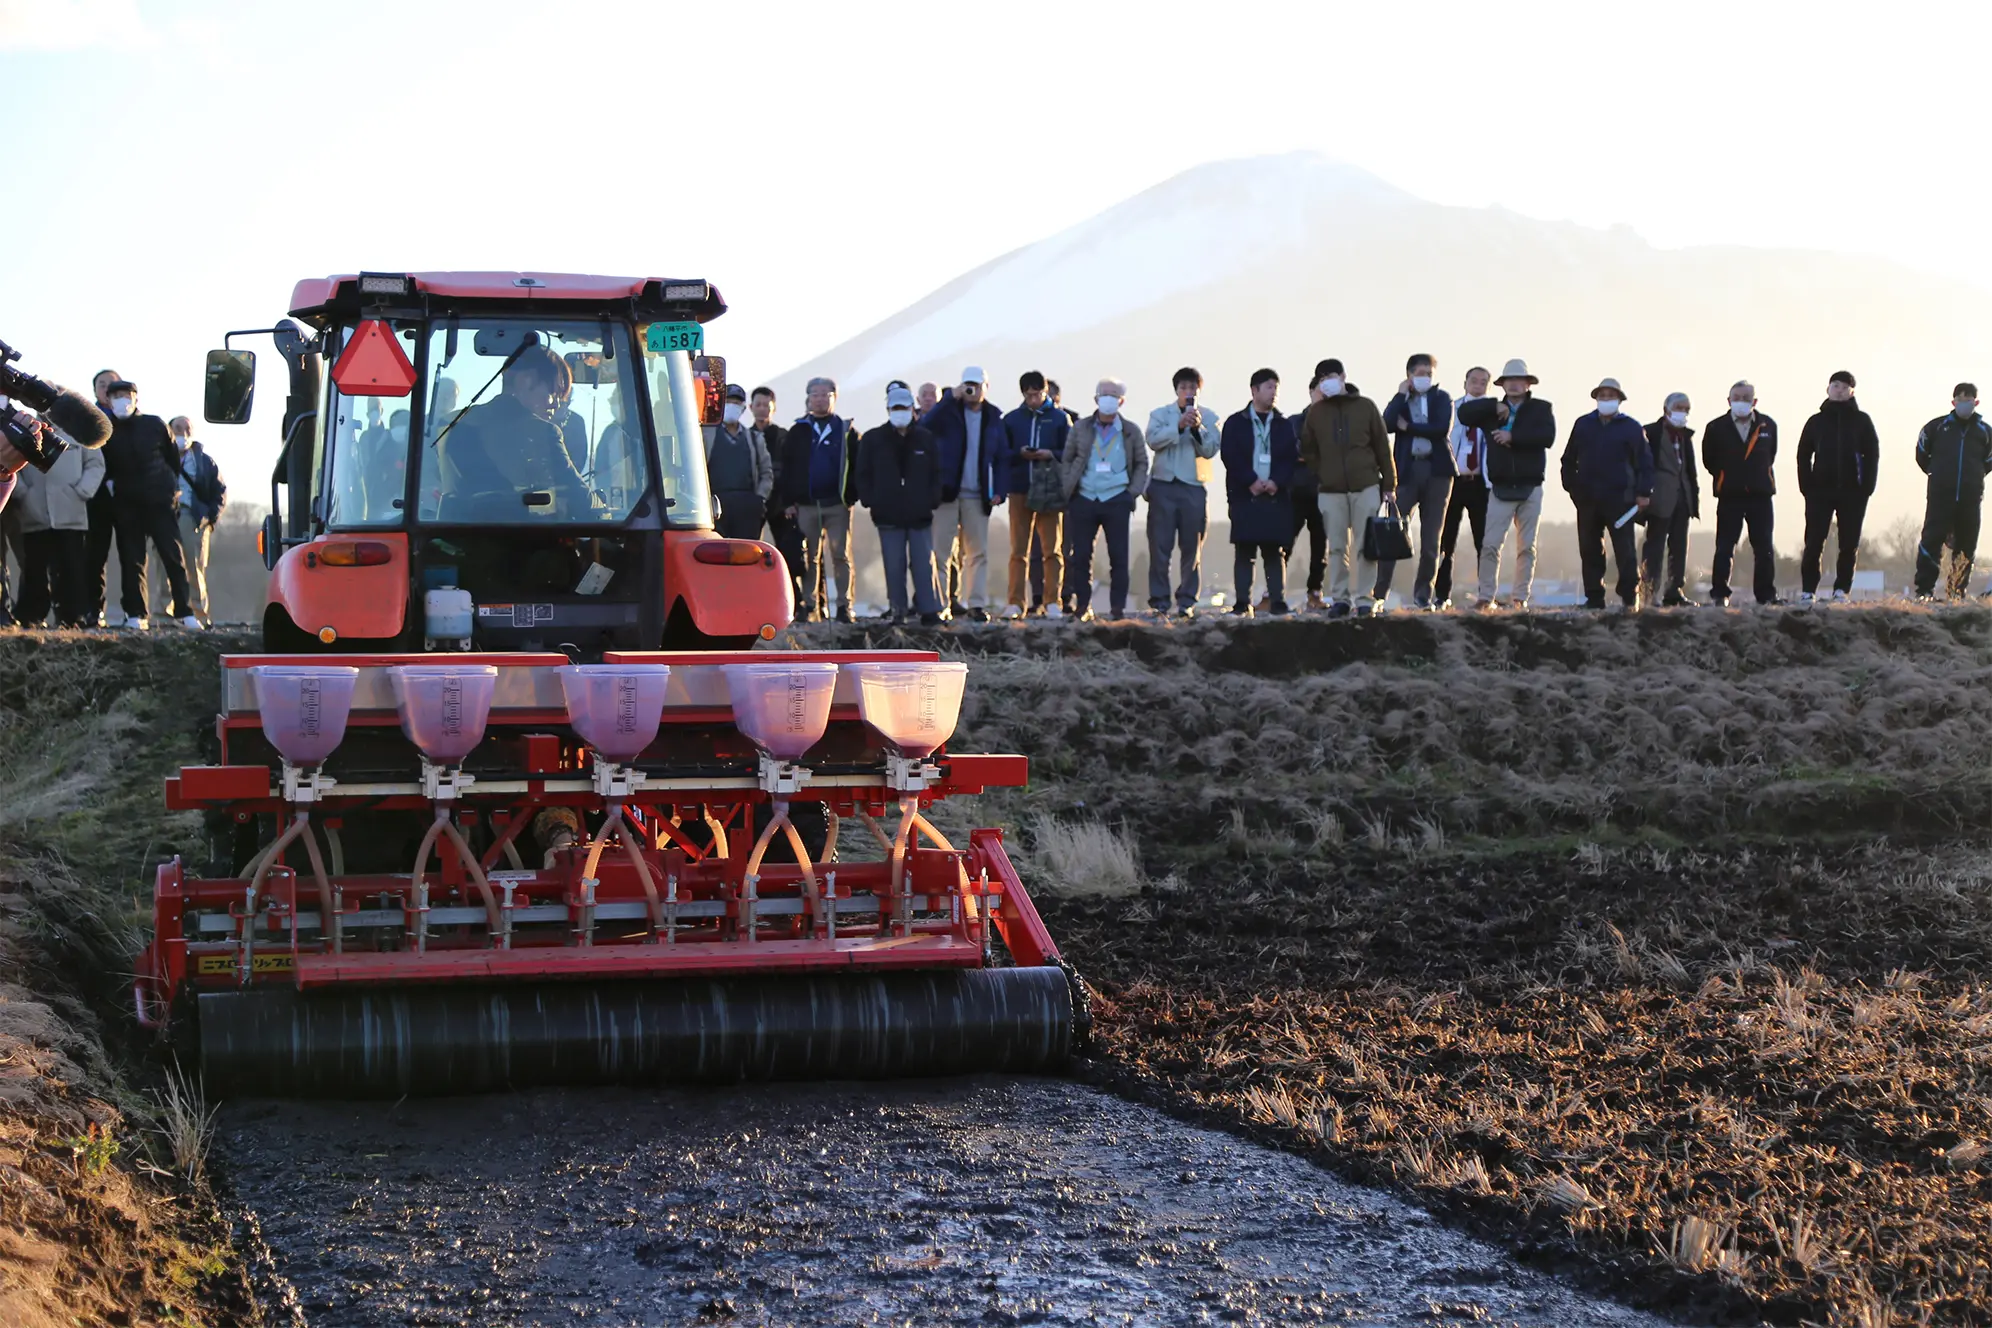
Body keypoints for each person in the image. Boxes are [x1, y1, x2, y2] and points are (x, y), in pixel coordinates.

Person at [439, 345, 592, 519]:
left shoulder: (459, 423)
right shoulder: (542, 431)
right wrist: (604, 509)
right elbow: (580, 497)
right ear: (526, 381)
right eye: (553, 392)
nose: (556, 404)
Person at [1299, 358, 1394, 618]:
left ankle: (1365, 599)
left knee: (1366, 546)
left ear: (1342, 377)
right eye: (1322, 379)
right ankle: (1340, 598)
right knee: (1337, 547)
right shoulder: (1316, 413)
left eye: (1331, 376)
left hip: (1366, 485)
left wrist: (1389, 483)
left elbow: (1382, 446)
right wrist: (1322, 472)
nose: (1327, 382)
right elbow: (1308, 448)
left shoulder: (1365, 406)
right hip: (1331, 490)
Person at [1460, 359, 1556, 611]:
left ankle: (1520, 597)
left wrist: (1514, 437)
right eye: (1509, 380)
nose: (1514, 384)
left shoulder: (1541, 408)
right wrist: (1493, 404)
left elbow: (1547, 437)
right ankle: (1486, 596)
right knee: (1490, 544)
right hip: (1500, 487)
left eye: (1519, 380)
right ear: (1502, 384)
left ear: (1528, 384)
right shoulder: (1491, 411)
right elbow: (1463, 414)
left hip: (1531, 485)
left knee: (1527, 547)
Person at [100, 380, 194, 630]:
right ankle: (135, 613)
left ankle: (185, 611)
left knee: (172, 556)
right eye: (116, 396)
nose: (122, 400)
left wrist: (169, 490)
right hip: (126, 504)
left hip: (159, 501)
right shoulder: (107, 431)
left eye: (126, 395)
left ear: (135, 398)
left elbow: (172, 459)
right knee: (132, 560)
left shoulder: (154, 424)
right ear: (108, 401)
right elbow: (104, 465)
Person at [1559, 378, 1653, 609]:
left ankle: (1630, 598)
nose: (1606, 400)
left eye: (1611, 396)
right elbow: (1568, 460)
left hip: (1621, 500)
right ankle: (1594, 598)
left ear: (1619, 400)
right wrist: (1573, 488)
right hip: (1587, 500)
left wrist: (1643, 492)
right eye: (1602, 396)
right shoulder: (1583, 424)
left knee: (1625, 551)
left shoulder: (1632, 428)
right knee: (1590, 550)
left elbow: (1645, 463)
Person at [921, 366, 1005, 622]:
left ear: (986, 388)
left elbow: (1002, 456)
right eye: (968, 385)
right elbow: (925, 426)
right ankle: (941, 604)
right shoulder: (948, 412)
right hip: (947, 493)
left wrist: (999, 489)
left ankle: (976, 605)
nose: (972, 390)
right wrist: (949, 399)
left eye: (976, 385)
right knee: (941, 552)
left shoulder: (993, 417)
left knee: (978, 553)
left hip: (978, 494)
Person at [856, 385, 945, 625]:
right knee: (893, 565)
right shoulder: (873, 439)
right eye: (895, 408)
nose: (900, 412)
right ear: (888, 410)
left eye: (904, 408)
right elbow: (862, 473)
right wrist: (871, 500)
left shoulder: (925, 438)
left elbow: (936, 472)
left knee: (924, 564)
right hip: (888, 514)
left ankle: (929, 610)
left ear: (912, 409)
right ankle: (898, 610)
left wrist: (932, 499)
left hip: (920, 513)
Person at [1061, 378, 1149, 620]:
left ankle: (1117, 609)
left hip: (1117, 498)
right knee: (1081, 556)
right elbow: (1067, 458)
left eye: (1114, 395)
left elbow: (1142, 463)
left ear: (1121, 401)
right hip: (1084, 497)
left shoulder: (1130, 431)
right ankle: (1082, 606)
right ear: (1096, 398)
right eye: (1104, 394)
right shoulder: (1080, 428)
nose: (1108, 399)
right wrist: (1069, 486)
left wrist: (1132, 493)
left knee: (1119, 557)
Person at [1375, 354, 1455, 610]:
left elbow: (1440, 429)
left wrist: (1408, 427)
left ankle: (1423, 594)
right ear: (1409, 375)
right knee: (1392, 533)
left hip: (1437, 472)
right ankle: (1379, 594)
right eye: (1420, 373)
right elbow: (1387, 424)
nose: (1425, 378)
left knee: (1432, 538)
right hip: (1407, 472)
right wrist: (1401, 396)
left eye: (1429, 374)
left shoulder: (1442, 398)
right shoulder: (1402, 400)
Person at [778, 376, 860, 622]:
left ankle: (844, 606)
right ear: (808, 399)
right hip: (806, 505)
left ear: (835, 398)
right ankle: (809, 604)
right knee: (809, 557)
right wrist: (788, 501)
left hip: (837, 504)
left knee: (840, 555)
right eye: (815, 394)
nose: (820, 399)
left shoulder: (846, 431)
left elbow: (857, 467)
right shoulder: (798, 431)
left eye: (826, 395)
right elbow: (787, 468)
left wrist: (850, 496)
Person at [1143, 367, 1222, 618]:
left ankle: (1187, 600)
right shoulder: (1159, 414)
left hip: (1193, 486)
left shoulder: (1209, 417)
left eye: (1193, 388)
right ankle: (1159, 601)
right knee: (1159, 546)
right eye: (1184, 388)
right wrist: (1177, 426)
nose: (1188, 392)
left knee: (1192, 547)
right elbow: (1153, 440)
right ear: (1176, 390)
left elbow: (1211, 449)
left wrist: (1197, 429)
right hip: (1163, 484)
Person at [1795, 371, 1880, 603]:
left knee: (1849, 543)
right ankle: (1808, 590)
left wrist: (1867, 487)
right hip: (1820, 491)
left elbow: (1872, 454)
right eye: (1835, 386)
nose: (1839, 391)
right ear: (1828, 389)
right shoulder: (1816, 421)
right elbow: (1803, 454)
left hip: (1853, 492)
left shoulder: (1862, 421)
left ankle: (1842, 590)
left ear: (1852, 392)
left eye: (1844, 387)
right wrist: (1807, 486)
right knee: (1814, 541)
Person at [1220, 369, 1297, 616]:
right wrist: (1250, 480)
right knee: (1244, 550)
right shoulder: (1236, 422)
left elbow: (1290, 458)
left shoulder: (1283, 425)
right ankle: (1242, 602)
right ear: (1254, 390)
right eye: (1269, 387)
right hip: (1245, 495)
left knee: (1274, 551)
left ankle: (1278, 600)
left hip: (1275, 496)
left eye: (1276, 388)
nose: (1273, 393)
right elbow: (1230, 455)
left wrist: (1276, 481)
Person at [1701, 380, 1780, 607]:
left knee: (1764, 547)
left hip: (1760, 494)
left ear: (1754, 401)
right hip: (1730, 495)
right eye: (1737, 398)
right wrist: (1727, 475)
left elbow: (1771, 454)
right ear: (1729, 400)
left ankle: (1765, 595)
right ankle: (1720, 594)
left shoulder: (1768, 425)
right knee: (1725, 546)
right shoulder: (1715, 427)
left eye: (1746, 398)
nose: (1741, 402)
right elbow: (1709, 460)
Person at [14, 435, 104, 627]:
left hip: (70, 511)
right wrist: (22, 492)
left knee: (72, 567)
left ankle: (72, 617)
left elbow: (95, 464)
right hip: (34, 510)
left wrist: (82, 490)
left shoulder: (78, 431)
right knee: (34, 569)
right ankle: (33, 616)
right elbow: (11, 464)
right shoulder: (26, 430)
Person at [1913, 383, 1992, 600]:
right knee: (1931, 540)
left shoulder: (1985, 432)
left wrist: (1975, 476)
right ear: (1953, 402)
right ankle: (1924, 590)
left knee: (1966, 544)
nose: (1964, 403)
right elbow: (1922, 453)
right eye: (1960, 399)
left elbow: (1988, 461)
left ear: (1976, 402)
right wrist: (1936, 473)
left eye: (1968, 400)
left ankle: (1956, 591)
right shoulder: (1936, 427)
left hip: (1970, 496)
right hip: (1940, 495)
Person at [1001, 370, 1068, 619]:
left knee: (1052, 549)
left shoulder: (1060, 418)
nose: (1033, 400)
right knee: (1019, 551)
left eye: (1037, 395)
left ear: (1045, 391)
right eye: (1028, 395)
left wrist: (1051, 454)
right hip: (1020, 489)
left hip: (1050, 491)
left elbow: (1070, 452)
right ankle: (1015, 602)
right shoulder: (1012, 420)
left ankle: (1053, 601)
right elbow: (1002, 454)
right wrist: (1019, 453)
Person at [1435, 366, 1492, 609]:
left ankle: (1485, 594)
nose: (1478, 386)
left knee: (1484, 541)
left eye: (1483, 382)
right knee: (1446, 539)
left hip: (1481, 482)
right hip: (1454, 480)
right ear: (1465, 383)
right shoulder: (1452, 409)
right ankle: (1441, 594)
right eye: (1474, 381)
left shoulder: (1493, 412)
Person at [162, 415, 225, 626]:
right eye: (178, 428)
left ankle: (198, 613)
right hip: (164, 515)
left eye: (187, 428)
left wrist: (209, 517)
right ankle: (164, 613)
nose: (183, 433)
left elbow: (219, 492)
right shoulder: (159, 457)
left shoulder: (204, 461)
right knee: (163, 565)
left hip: (192, 517)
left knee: (194, 567)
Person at [1641, 392, 1701, 607]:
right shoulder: (1651, 433)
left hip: (1682, 498)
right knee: (1654, 548)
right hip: (1658, 499)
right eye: (1678, 408)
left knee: (1679, 546)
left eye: (1686, 409)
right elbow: (1641, 465)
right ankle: (1649, 592)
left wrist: (1693, 497)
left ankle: (1674, 590)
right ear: (1666, 409)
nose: (1682, 412)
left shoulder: (1686, 437)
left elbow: (1689, 470)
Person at [750, 387, 806, 606]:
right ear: (751, 407)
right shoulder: (746, 436)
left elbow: (792, 470)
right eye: (758, 405)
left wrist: (790, 502)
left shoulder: (783, 436)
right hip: (756, 501)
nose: (762, 409)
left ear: (773, 408)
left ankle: (795, 601)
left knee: (788, 554)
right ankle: (755, 598)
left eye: (766, 405)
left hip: (781, 503)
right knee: (750, 551)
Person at [1283, 374, 1330, 612]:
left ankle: (1315, 592)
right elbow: (1291, 452)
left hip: (1325, 491)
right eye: (1320, 390)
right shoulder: (1294, 422)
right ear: (1311, 392)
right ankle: (1274, 592)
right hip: (1295, 491)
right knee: (1284, 543)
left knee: (1321, 547)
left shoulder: (1335, 422)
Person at [705, 384, 774, 540]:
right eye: (728, 402)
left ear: (743, 408)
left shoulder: (754, 438)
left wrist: (759, 498)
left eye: (736, 403)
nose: (732, 406)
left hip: (747, 506)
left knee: (747, 550)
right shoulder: (707, 435)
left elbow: (766, 472)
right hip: (715, 505)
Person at [83, 368, 122, 625]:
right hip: (96, 495)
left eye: (112, 384)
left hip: (126, 493)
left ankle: (135, 611)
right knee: (95, 554)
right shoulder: (87, 418)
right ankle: (94, 609)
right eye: (101, 384)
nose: (106, 388)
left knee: (131, 555)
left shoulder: (132, 419)